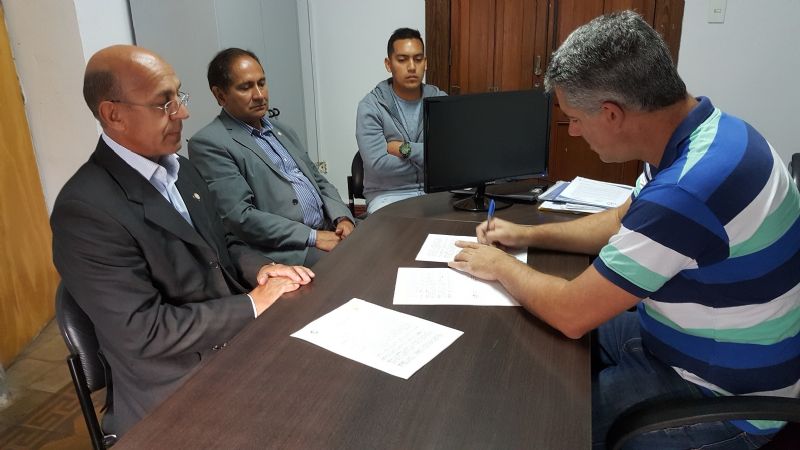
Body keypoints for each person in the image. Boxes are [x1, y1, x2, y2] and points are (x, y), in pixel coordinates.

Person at [449, 11, 800, 449]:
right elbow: (620, 219)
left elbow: (572, 314)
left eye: (575, 118)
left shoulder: (687, 190)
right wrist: (528, 235)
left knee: (544, 425)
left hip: (726, 396)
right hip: (683, 339)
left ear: (612, 113)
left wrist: (499, 265)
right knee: (532, 347)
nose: (573, 131)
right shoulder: (709, 133)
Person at [51, 45, 315, 437]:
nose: (183, 113)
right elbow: (145, 331)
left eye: (179, 96)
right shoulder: (85, 211)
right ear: (113, 114)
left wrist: (262, 268)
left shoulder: (181, 169)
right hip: (175, 386)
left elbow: (222, 243)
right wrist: (251, 303)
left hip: (236, 343)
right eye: (163, 104)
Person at [189, 48, 354, 267]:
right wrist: (313, 236)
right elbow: (240, 217)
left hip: (328, 228)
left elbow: (319, 180)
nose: (259, 95)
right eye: (245, 87)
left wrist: (342, 218)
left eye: (262, 83)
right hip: (288, 248)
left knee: (383, 243)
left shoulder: (282, 130)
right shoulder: (210, 143)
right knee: (352, 267)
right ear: (220, 95)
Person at [356, 28, 446, 214]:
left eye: (418, 59)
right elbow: (378, 166)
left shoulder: (440, 100)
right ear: (389, 64)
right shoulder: (371, 106)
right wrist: (430, 159)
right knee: (399, 240)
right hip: (388, 195)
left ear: (426, 63)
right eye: (402, 59)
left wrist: (404, 149)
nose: (412, 67)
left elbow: (451, 157)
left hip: (437, 192)